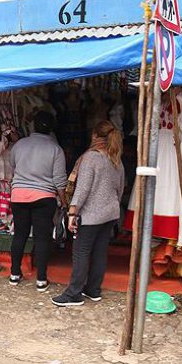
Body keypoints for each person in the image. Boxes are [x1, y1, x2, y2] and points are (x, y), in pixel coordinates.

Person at [52, 120, 124, 306]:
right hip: (110, 213)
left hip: (92, 214)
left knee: (81, 252)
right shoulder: (116, 159)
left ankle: (74, 293)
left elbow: (82, 189)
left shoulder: (91, 158)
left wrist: (72, 212)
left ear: (94, 136)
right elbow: (120, 188)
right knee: (100, 251)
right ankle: (93, 290)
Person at [8, 111, 67, 292]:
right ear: (51, 128)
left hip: (18, 196)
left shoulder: (19, 145)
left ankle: (14, 274)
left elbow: (13, 166)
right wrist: (63, 201)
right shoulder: (55, 149)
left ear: (33, 125)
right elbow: (59, 180)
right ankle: (41, 279)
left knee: (20, 235)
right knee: (42, 238)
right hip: (44, 197)